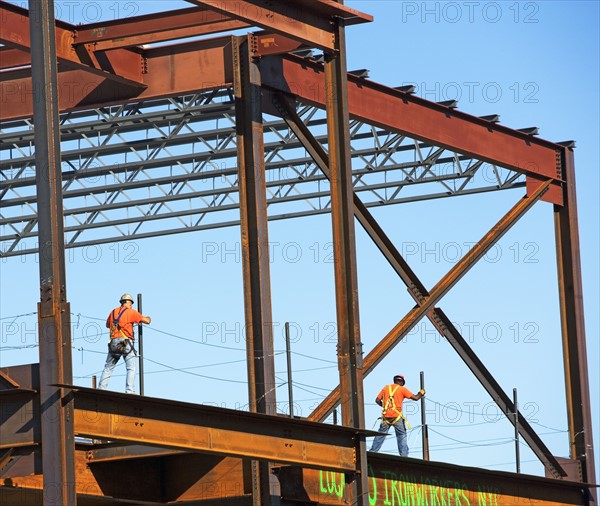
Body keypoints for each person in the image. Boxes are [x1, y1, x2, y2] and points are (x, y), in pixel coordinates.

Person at [98, 293, 151, 394]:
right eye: (131, 303)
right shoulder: (131, 312)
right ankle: (129, 390)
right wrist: (148, 317)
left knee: (108, 367)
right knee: (131, 367)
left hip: (113, 342)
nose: (131, 305)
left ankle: (101, 389)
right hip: (125, 342)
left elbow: (107, 325)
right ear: (128, 302)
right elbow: (147, 321)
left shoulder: (113, 312)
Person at [369, 374, 425, 456]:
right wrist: (421, 392)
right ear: (401, 382)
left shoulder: (386, 388)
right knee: (401, 436)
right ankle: (404, 456)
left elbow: (377, 400)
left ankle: (372, 452)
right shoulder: (402, 389)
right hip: (396, 417)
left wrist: (385, 407)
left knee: (380, 435)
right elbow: (416, 398)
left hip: (386, 417)